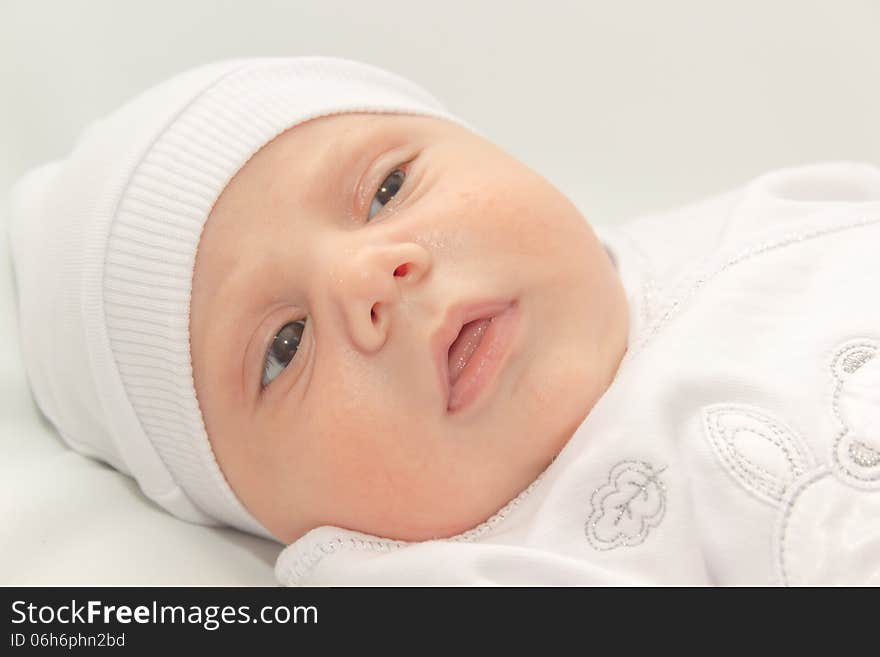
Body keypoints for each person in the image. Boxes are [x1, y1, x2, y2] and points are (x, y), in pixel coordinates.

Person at [7, 56, 880, 586]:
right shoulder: (480, 575)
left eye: (386, 188)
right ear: (260, 519)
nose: (369, 278)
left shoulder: (777, 218)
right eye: (284, 345)